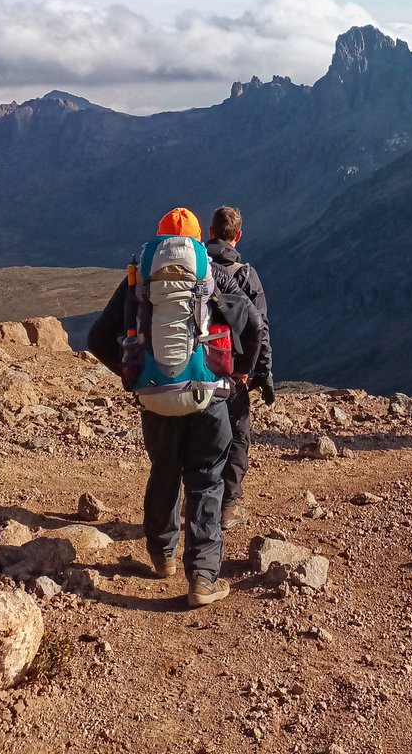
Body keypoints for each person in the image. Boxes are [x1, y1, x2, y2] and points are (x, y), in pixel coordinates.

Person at [88, 206, 260, 607]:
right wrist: (239, 375)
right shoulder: (210, 275)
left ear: (159, 240)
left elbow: (98, 338)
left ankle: (162, 556)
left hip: (155, 397)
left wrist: (133, 376)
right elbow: (252, 324)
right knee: (206, 479)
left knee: (164, 471)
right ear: (197, 243)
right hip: (207, 395)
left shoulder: (138, 279)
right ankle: (202, 578)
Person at [205, 204, 274, 531]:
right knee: (237, 436)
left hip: (193, 370)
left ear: (210, 233)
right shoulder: (246, 275)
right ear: (239, 236)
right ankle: (228, 506)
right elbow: (261, 327)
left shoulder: (195, 270)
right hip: (232, 371)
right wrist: (260, 373)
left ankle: (195, 503)